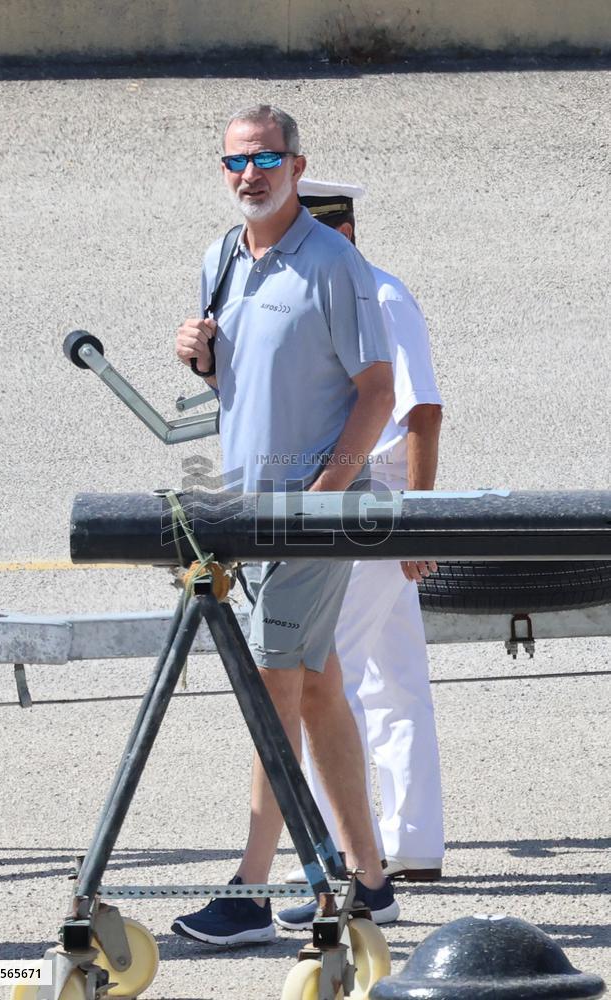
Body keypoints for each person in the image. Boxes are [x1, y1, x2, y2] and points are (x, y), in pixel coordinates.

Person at [172, 106, 399, 946]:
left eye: (267, 159)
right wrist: (196, 351)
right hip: (247, 509)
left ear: (299, 167)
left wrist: (325, 495)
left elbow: (377, 392)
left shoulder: (336, 264)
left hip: (312, 513)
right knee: (319, 685)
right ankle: (370, 881)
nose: (250, 174)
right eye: (236, 162)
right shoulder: (219, 259)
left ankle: (252, 890)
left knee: (273, 687)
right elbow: (246, 374)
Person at [276, 179, 444, 932]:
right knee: (393, 677)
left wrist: (415, 515)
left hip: (370, 498)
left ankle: (344, 858)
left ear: (336, 231)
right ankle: (410, 844)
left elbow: (422, 408)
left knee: (319, 674)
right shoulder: (337, 291)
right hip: (360, 497)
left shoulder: (376, 293)